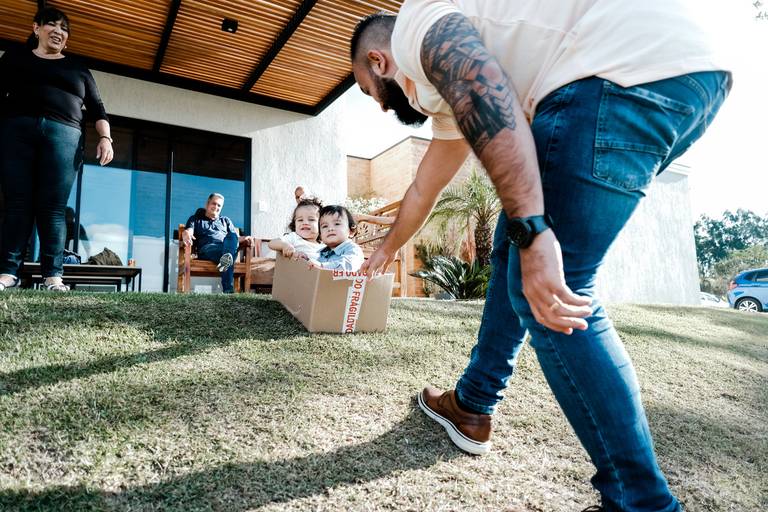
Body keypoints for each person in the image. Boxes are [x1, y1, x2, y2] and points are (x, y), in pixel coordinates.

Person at [351, 2, 731, 511]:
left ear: (379, 63)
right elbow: (424, 188)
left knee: (552, 289)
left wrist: (533, 227)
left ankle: (640, 503)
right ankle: (472, 405)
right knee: (516, 255)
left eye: (367, 92)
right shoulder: (445, 95)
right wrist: (387, 249)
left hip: (613, 74)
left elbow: (483, 85)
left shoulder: (418, 22)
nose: (377, 106)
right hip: (693, 79)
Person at [0, 6, 114, 291]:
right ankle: (7, 273)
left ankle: (53, 275)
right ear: (36, 28)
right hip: (17, 132)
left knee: (52, 208)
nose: (59, 32)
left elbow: (98, 109)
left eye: (64, 29)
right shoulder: (14, 58)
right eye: (52, 25)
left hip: (64, 136)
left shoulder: (78, 68)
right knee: (17, 203)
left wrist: (106, 138)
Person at [182, 193, 248, 294]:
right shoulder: (196, 219)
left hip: (225, 247)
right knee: (229, 254)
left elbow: (235, 239)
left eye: (219, 205)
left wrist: (246, 238)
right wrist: (186, 233)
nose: (216, 207)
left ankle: (227, 258)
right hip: (207, 249)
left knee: (232, 237)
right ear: (207, 204)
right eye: (214, 204)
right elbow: (189, 231)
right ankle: (228, 288)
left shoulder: (225, 220)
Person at [305, 205, 364, 271]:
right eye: (325, 226)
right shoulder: (322, 253)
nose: (330, 229)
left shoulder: (353, 249)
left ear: (351, 231)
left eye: (337, 224)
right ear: (320, 236)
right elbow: (315, 268)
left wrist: (321, 265)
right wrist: (306, 260)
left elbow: (348, 265)